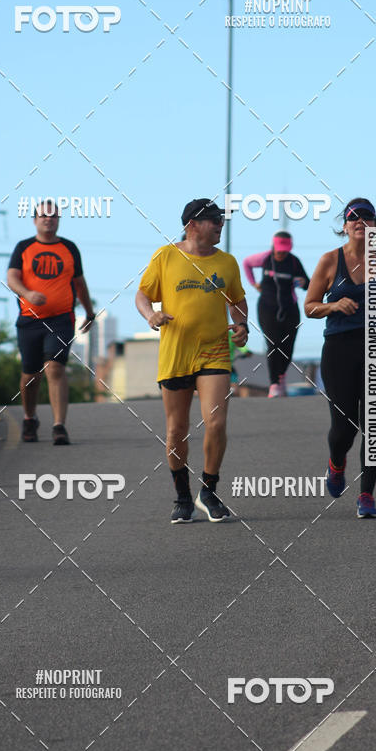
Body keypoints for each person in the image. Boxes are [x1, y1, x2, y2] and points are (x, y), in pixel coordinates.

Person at [135, 199, 248, 523]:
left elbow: (237, 301)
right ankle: (183, 496)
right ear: (192, 224)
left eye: (221, 220)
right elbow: (142, 295)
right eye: (213, 220)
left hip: (214, 350)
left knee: (216, 421)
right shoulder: (165, 256)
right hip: (175, 353)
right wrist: (151, 315)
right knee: (176, 430)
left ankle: (209, 490)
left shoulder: (227, 263)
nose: (219, 225)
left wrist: (241, 326)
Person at [304, 199, 376, 518]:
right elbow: (309, 307)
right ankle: (336, 463)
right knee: (344, 425)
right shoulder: (329, 261)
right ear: (345, 226)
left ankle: (366, 494)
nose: (361, 221)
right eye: (353, 217)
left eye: (368, 216)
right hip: (339, 347)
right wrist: (333, 306)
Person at [7, 200, 95, 446]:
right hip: (29, 320)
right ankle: (29, 417)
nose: (49, 219)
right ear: (35, 220)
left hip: (61, 319)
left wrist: (89, 313)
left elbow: (79, 282)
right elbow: (11, 277)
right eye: (44, 216)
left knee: (54, 367)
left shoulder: (69, 248)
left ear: (58, 220)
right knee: (30, 374)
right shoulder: (23, 247)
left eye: (54, 216)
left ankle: (59, 426)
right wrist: (27, 293)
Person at [243, 231, 309, 396]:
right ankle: (274, 383)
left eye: (285, 249)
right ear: (273, 246)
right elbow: (246, 263)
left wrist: (303, 282)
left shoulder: (294, 262)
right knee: (273, 343)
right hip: (267, 308)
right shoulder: (265, 258)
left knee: (287, 346)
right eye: (279, 249)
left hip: (290, 310)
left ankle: (281, 376)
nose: (281, 252)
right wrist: (254, 284)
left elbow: (308, 283)